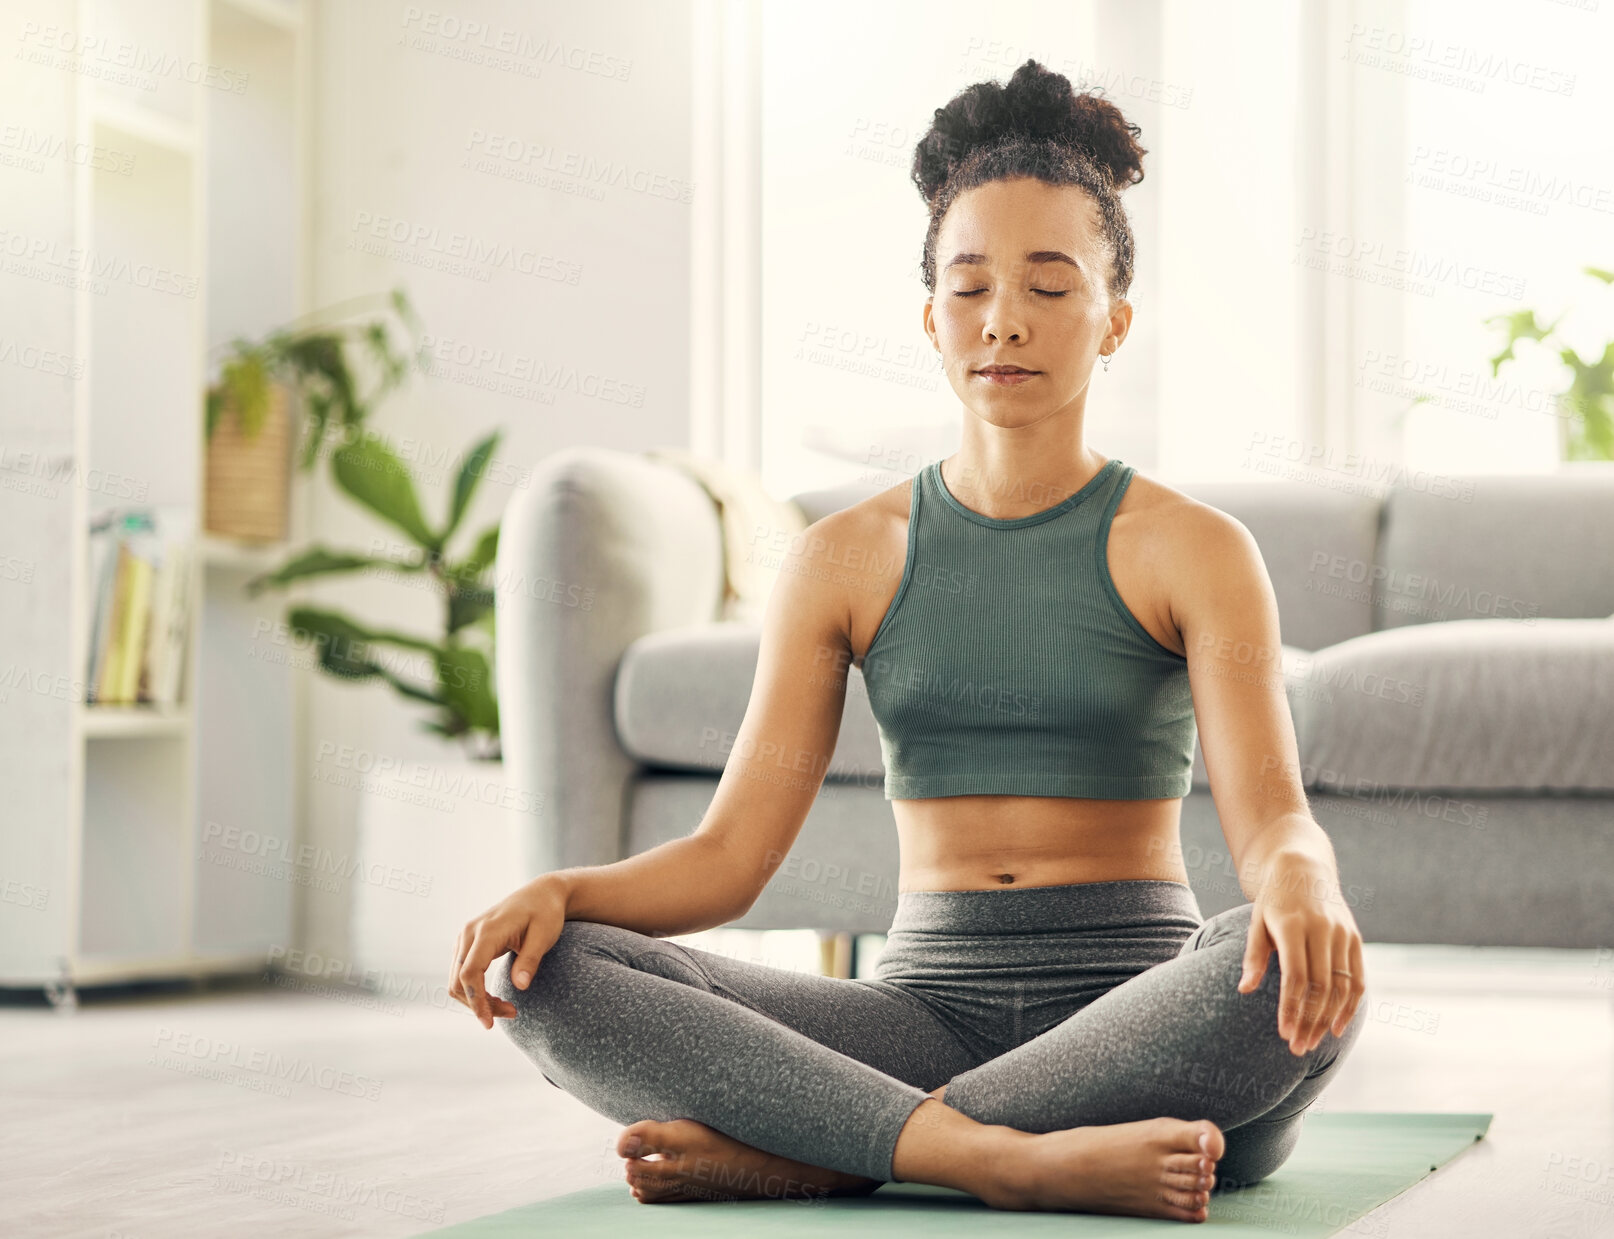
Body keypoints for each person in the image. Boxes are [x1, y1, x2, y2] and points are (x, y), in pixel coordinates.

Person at [449, 58, 1367, 1223]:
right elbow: (731, 856)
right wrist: (561, 890)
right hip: (916, 1009)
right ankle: (1004, 1157)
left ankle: (837, 1151)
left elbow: (1272, 816)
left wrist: (1306, 879)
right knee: (558, 976)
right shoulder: (843, 556)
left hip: (1140, 1007)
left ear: (1113, 320)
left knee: (1286, 971)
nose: (1005, 321)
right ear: (932, 317)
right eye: (971, 285)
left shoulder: (1194, 547)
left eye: (1050, 285)